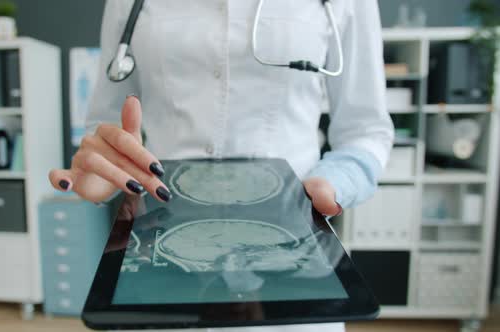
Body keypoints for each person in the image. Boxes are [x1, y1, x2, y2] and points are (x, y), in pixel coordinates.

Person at [49, 1, 393, 331]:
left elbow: (365, 129)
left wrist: (332, 182)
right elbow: (109, 122)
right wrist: (105, 167)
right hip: (161, 265)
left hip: (290, 266)